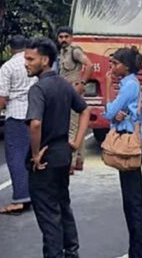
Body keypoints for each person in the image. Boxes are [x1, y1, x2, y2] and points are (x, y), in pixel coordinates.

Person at [25, 38, 91, 258]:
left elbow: (35, 123)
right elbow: (85, 111)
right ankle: (72, 252)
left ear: (45, 60)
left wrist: (35, 154)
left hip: (45, 159)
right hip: (63, 155)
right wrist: (76, 141)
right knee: (63, 206)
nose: (26, 63)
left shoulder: (38, 89)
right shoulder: (64, 84)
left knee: (48, 215)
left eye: (30, 59)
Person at [103, 47, 142, 258]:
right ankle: (137, 250)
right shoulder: (130, 84)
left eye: (115, 64)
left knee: (133, 202)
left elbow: (109, 113)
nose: (112, 67)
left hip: (129, 145)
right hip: (130, 142)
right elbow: (114, 116)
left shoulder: (129, 85)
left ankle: (138, 252)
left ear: (127, 66)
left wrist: (106, 87)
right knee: (132, 200)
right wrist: (115, 116)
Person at [0, 35, 37, 215]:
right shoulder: (33, 62)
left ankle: (20, 198)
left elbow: (3, 94)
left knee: (16, 157)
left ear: (10, 48)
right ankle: (34, 194)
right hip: (35, 113)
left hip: (17, 116)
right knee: (33, 155)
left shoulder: (8, 67)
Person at [56, 26, 94, 174]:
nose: (63, 39)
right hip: (65, 92)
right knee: (77, 128)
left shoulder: (74, 51)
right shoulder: (61, 53)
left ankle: (70, 164)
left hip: (73, 93)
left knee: (71, 127)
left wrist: (82, 83)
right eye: (61, 37)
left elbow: (89, 64)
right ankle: (79, 160)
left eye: (66, 36)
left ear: (71, 38)